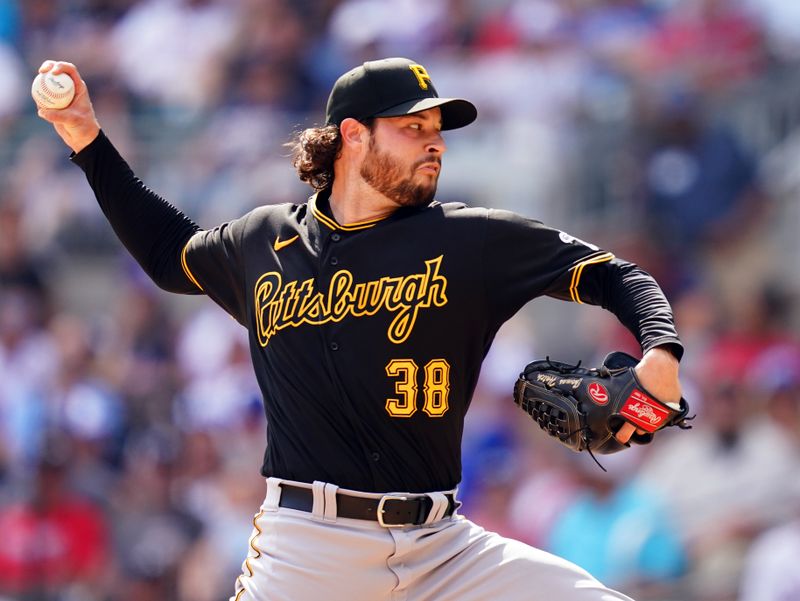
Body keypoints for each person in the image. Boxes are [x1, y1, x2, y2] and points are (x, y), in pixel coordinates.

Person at [37, 56, 684, 601]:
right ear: (352, 135)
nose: (435, 141)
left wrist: (660, 348)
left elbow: (613, 274)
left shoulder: (470, 239)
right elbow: (169, 252)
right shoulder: (266, 240)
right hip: (308, 550)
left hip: (444, 549)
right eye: (412, 127)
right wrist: (88, 142)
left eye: (437, 128)